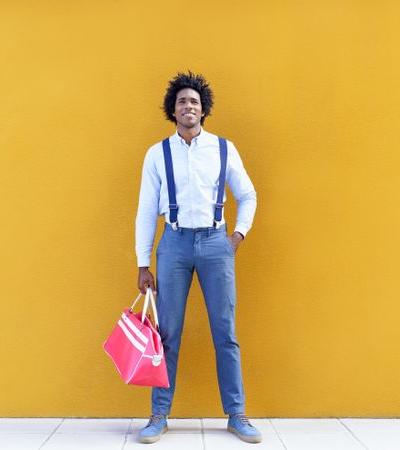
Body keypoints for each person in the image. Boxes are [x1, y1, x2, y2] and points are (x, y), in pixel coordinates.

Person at [134, 71, 260, 444]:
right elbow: (145, 210)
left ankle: (236, 415)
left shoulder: (224, 149)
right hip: (173, 245)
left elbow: (248, 194)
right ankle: (159, 414)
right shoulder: (157, 153)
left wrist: (237, 235)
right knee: (167, 334)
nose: (188, 107)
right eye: (181, 102)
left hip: (215, 243)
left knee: (226, 332)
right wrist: (143, 263)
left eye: (194, 102)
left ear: (203, 110)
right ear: (172, 111)